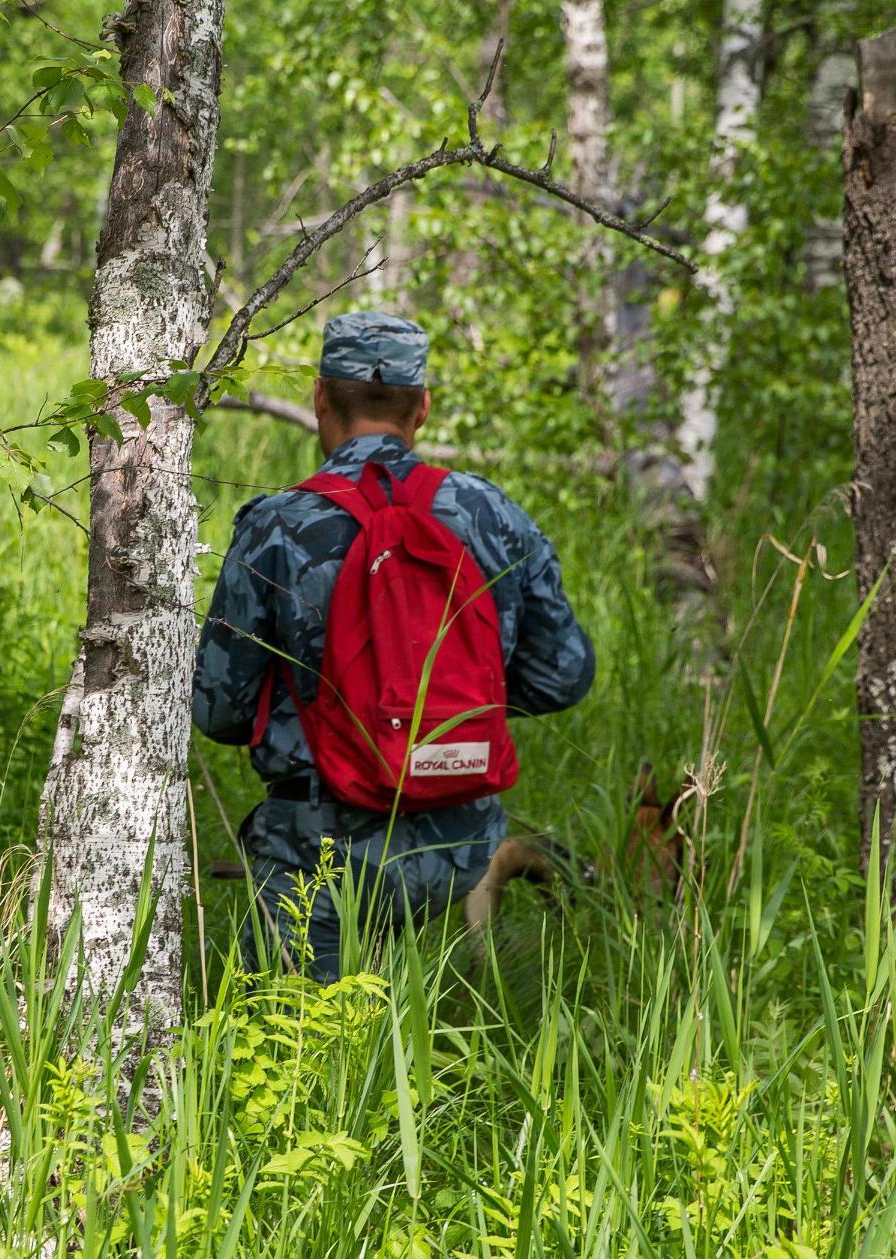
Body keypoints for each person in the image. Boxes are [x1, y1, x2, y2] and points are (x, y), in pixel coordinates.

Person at [192, 310, 596, 979]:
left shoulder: (276, 525)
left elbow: (219, 712)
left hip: (322, 849)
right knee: (432, 1034)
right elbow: (565, 674)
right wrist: (442, 710)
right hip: (460, 843)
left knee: (290, 1055)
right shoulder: (489, 513)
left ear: (320, 396)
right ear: (424, 407)